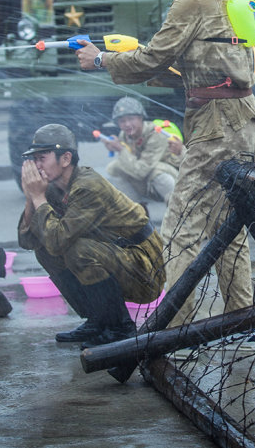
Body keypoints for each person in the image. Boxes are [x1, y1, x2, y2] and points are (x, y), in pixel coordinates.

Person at [74, 0, 255, 348]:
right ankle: (243, 323)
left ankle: (175, 330)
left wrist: (102, 60)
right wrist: (135, 60)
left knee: (181, 228)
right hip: (245, 123)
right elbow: (197, 70)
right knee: (226, 228)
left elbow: (155, 57)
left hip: (215, 128)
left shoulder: (191, 0)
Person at [17, 124, 165, 347]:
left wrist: (39, 198)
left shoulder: (88, 187)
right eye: (34, 159)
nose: (37, 166)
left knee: (78, 251)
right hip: (116, 255)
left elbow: (58, 241)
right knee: (44, 251)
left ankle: (120, 327)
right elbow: (28, 241)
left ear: (65, 158)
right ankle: (98, 320)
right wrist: (32, 197)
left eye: (42, 158)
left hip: (144, 267)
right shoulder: (54, 188)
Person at [102, 96, 182, 206]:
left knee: (157, 171)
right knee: (114, 169)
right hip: (147, 182)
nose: (127, 124)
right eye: (122, 121)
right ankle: (138, 211)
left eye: (131, 119)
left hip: (175, 181)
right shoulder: (124, 135)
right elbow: (131, 165)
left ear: (141, 118)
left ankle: (179, 209)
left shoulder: (156, 134)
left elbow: (141, 171)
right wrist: (116, 148)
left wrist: (121, 150)